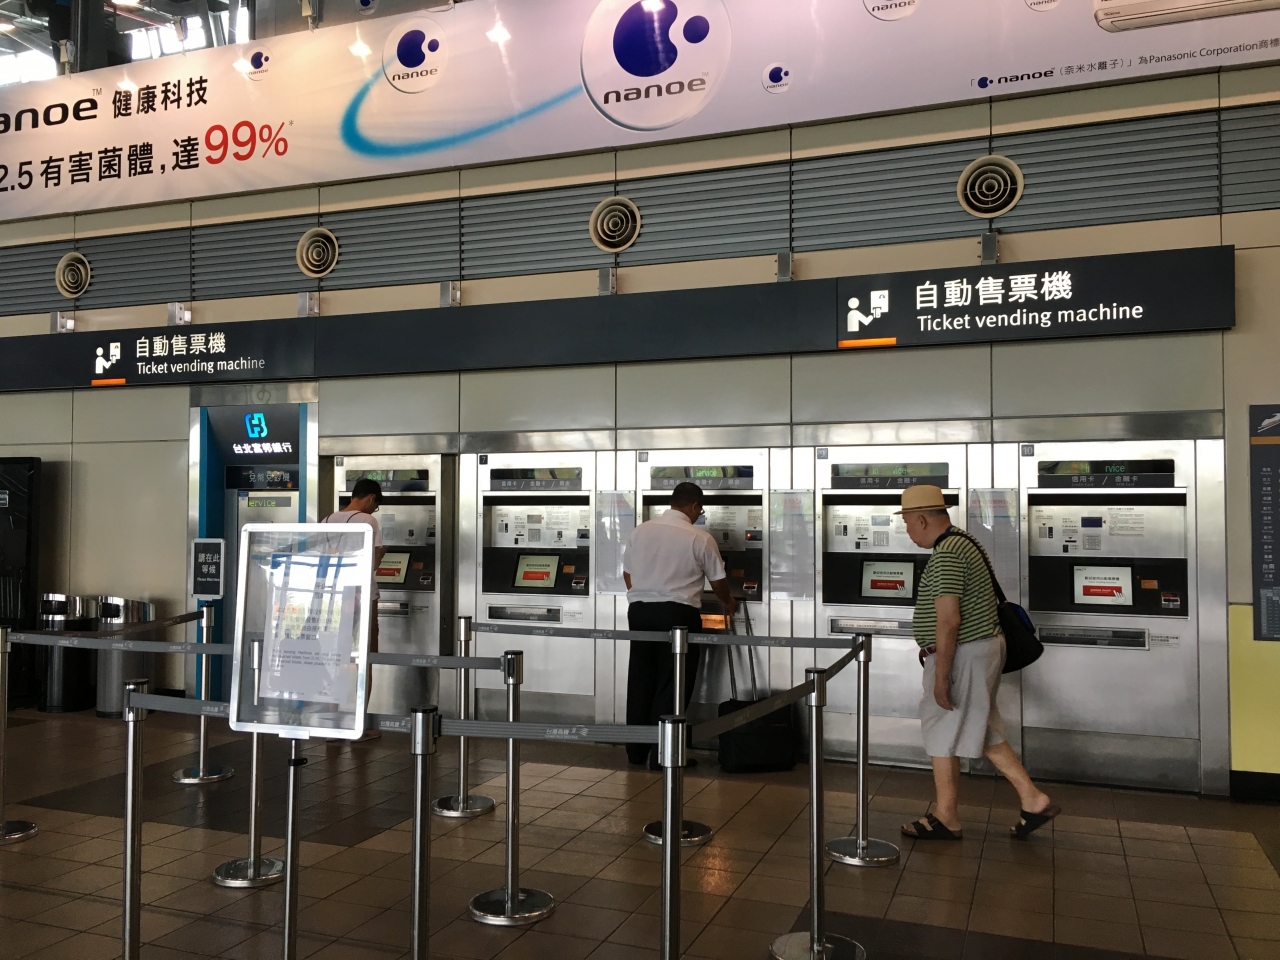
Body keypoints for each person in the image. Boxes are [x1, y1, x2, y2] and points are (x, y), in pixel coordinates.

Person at [896, 484, 1060, 841]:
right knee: (983, 728)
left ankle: (945, 817)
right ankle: (1033, 799)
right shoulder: (965, 541)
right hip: (978, 649)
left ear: (921, 519)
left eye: (907, 523)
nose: (907, 531)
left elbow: (949, 620)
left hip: (963, 654)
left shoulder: (947, 554)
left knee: (941, 729)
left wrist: (942, 677)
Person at [623, 481, 737, 769]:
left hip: (640, 612)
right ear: (695, 506)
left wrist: (647, 595)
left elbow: (628, 574)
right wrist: (729, 602)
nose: (700, 514)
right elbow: (718, 581)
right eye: (700, 510)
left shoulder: (641, 530)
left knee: (640, 680)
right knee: (672, 683)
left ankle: (636, 752)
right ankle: (663, 754)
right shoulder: (700, 537)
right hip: (677, 615)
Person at [323, 477, 386, 741]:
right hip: (361, 595)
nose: (375, 509)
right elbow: (376, 557)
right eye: (376, 504)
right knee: (365, 656)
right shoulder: (368, 521)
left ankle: (332, 720)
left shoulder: (327, 520)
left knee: (336, 656)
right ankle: (360, 724)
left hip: (334, 596)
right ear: (371, 498)